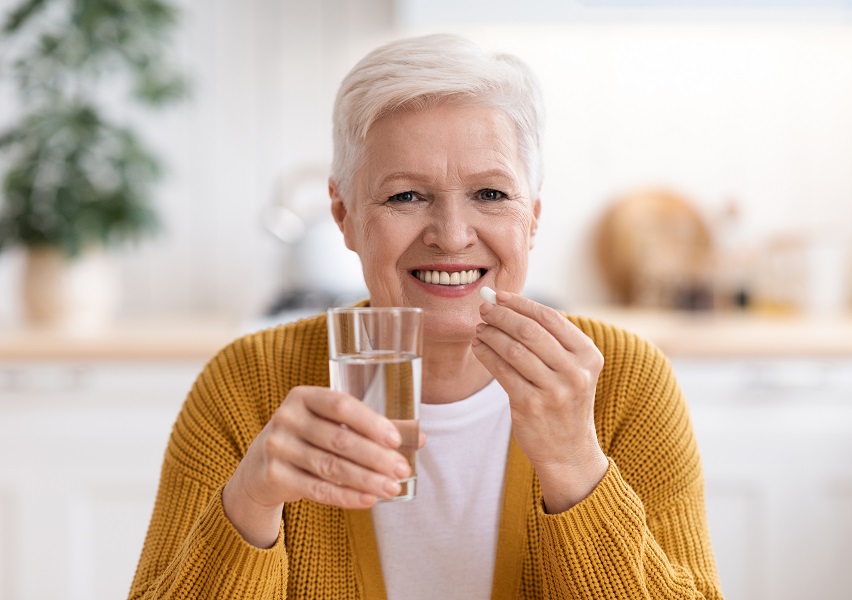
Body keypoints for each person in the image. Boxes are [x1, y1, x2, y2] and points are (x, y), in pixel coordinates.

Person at [129, 33, 722, 600]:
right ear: (344, 215)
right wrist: (252, 500)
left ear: (532, 217)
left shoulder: (625, 381)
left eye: (490, 194)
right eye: (406, 196)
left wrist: (575, 465)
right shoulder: (244, 386)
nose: (452, 236)